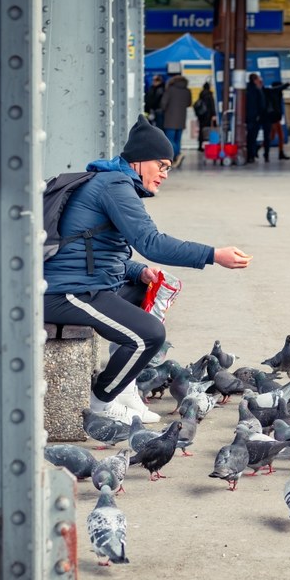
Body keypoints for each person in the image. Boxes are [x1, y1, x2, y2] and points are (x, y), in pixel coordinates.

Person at [43, 115, 252, 424]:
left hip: (87, 281)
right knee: (149, 335)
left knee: (144, 292)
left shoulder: (112, 181)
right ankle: (101, 402)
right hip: (67, 292)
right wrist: (213, 254)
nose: (165, 174)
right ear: (140, 161)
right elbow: (151, 242)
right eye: (162, 165)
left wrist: (138, 271)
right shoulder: (114, 185)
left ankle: (125, 388)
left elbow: (93, 249)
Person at [160, 75, 192, 167]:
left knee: (170, 139)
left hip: (170, 118)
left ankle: (176, 156)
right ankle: (177, 156)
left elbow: (163, 103)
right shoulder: (187, 90)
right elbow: (189, 103)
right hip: (181, 118)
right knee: (177, 139)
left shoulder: (170, 90)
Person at [263, 80, 290, 161]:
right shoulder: (273, 92)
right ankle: (260, 149)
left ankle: (280, 152)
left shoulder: (275, 93)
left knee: (278, 136)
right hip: (273, 117)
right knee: (272, 136)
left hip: (276, 117)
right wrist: (288, 83)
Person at [245, 73, 265, 164]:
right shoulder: (257, 90)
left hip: (247, 117)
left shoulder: (246, 90)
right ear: (255, 80)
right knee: (253, 136)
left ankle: (249, 154)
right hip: (255, 117)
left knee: (249, 136)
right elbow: (262, 104)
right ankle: (251, 155)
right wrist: (260, 115)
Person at [195, 81, 217, 152]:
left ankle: (200, 146)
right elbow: (212, 106)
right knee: (209, 131)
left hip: (202, 116)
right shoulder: (209, 95)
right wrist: (214, 115)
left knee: (202, 131)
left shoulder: (201, 94)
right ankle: (209, 146)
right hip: (208, 116)